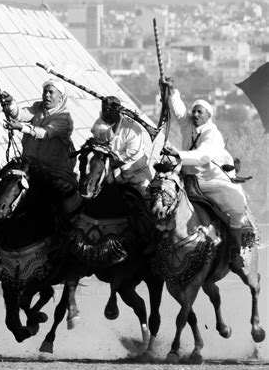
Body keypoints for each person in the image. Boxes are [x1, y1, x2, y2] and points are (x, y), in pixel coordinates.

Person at [161, 77, 249, 269]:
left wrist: (178, 154)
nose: (195, 114)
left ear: (208, 115)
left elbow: (203, 157)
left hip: (212, 181)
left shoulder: (212, 134)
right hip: (188, 178)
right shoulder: (188, 125)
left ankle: (235, 254)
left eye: (199, 112)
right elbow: (178, 110)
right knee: (159, 195)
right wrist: (171, 90)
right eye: (194, 111)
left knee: (236, 209)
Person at [0, 78, 79, 214]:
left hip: (54, 170)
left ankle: (63, 228)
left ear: (60, 98)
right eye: (45, 92)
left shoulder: (64, 118)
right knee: (2, 183)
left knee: (55, 202)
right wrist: (10, 103)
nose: (46, 95)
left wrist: (22, 128)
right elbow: (21, 114)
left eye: (51, 92)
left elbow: (46, 133)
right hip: (31, 166)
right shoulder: (38, 107)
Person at [90, 95, 152, 198]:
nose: (106, 112)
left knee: (143, 200)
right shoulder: (99, 123)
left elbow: (133, 153)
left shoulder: (133, 128)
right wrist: (118, 122)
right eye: (104, 109)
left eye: (110, 109)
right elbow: (103, 137)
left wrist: (113, 158)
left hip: (136, 175)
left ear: (118, 110)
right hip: (111, 172)